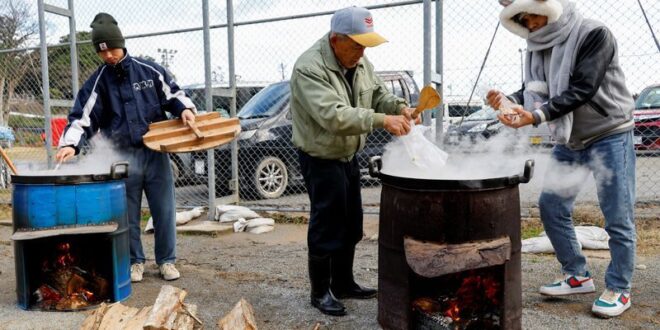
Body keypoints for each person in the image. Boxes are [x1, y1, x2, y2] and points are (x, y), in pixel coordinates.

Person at [490, 0, 636, 318]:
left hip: (609, 132)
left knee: (617, 214)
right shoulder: (539, 44)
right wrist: (511, 101)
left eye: (531, 14)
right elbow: (534, 88)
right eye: (522, 19)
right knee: (552, 206)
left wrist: (536, 115)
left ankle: (619, 288)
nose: (529, 23)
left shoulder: (594, 33)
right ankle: (577, 274)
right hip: (570, 137)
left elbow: (583, 86)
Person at [290, 6, 419, 316]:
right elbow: (333, 116)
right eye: (358, 44)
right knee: (327, 223)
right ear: (336, 40)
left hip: (348, 154)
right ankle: (320, 291)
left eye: (366, 44)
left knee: (351, 223)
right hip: (320, 156)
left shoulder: (359, 61)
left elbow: (377, 94)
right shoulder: (309, 67)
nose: (362, 51)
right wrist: (382, 120)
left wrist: (399, 107)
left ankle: (344, 283)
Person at [55, 13, 196, 283]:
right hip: (122, 157)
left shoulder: (149, 70)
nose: (108, 56)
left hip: (156, 152)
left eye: (112, 49)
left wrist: (185, 110)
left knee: (164, 209)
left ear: (121, 43)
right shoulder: (99, 82)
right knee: (128, 213)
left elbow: (174, 94)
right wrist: (70, 144)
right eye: (102, 52)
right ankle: (135, 262)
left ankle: (166, 261)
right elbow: (82, 118)